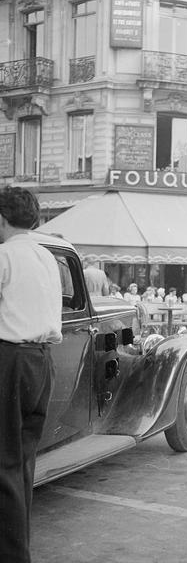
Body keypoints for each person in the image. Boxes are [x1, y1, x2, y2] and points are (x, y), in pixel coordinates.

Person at [0, 187, 62, 562]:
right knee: (22, 462)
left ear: (2, 219)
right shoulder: (46, 256)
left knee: (3, 463)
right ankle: (18, 547)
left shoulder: (4, 255)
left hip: (11, 361)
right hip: (42, 363)